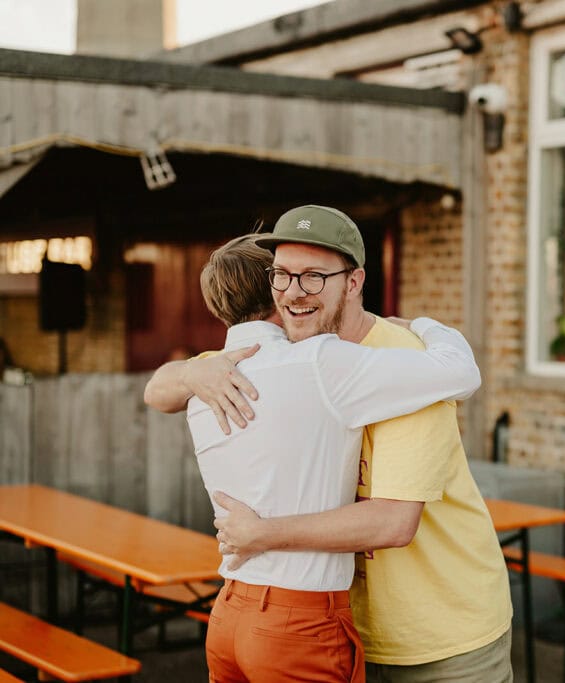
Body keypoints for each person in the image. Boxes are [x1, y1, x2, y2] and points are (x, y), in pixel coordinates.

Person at [148, 205, 514, 682]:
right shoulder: (260, 359)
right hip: (339, 627)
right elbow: (157, 391)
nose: (294, 293)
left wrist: (261, 532)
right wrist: (191, 370)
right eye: (282, 276)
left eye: (315, 277)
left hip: (437, 633)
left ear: (354, 282)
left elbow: (393, 521)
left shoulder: (402, 364)